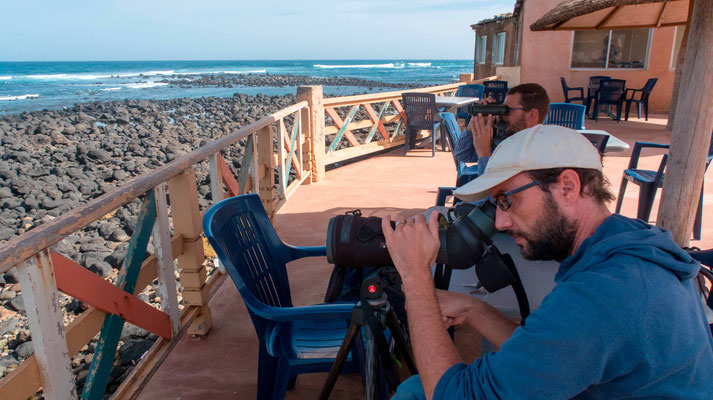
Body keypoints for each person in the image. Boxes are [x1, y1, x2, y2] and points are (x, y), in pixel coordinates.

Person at [381, 124, 713, 399]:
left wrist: (415, 278)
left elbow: (454, 395)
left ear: (567, 186)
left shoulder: (606, 293)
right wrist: (474, 309)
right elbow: (557, 350)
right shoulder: (626, 242)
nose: (499, 222)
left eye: (507, 200)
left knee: (415, 392)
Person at [453, 83, 550, 177]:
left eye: (508, 110)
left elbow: (494, 191)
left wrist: (484, 155)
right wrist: (475, 122)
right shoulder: (509, 139)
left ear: (532, 115)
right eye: (502, 109)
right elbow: (462, 155)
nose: (502, 114)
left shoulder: (540, 152)